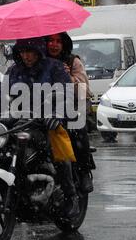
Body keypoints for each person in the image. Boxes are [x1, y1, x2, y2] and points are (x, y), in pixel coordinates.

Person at [4, 37, 80, 218]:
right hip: (20, 121)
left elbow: (66, 94)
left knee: (58, 147)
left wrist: (55, 114)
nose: (26, 56)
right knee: (0, 145)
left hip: (47, 122)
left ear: (38, 51)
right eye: (22, 52)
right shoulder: (13, 71)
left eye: (30, 52)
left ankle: (71, 196)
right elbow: (1, 95)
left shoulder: (55, 67)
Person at [45, 32, 95, 193]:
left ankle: (84, 171)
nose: (54, 45)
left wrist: (69, 77)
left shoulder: (73, 61)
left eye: (58, 41)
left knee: (77, 129)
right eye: (50, 41)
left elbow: (84, 91)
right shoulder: (38, 60)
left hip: (70, 107)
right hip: (41, 108)